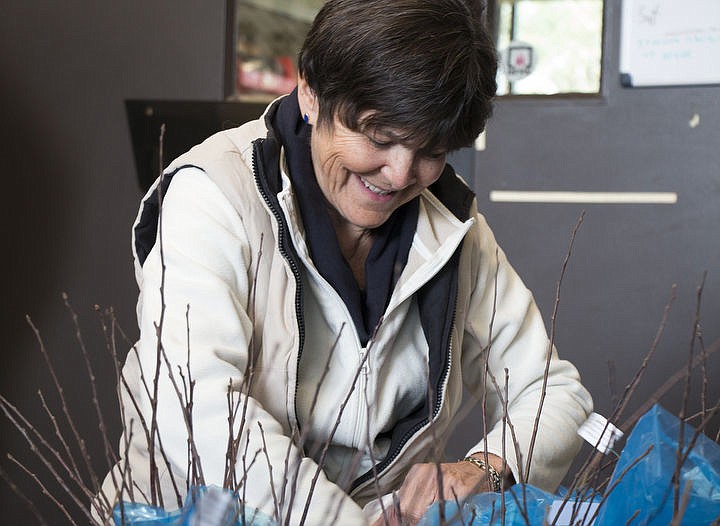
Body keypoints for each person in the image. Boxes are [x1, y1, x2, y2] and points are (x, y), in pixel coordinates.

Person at [98, 0, 593, 524]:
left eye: (432, 151)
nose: (400, 175)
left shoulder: (451, 225)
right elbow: (197, 407)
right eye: (380, 139)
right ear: (310, 92)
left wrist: (485, 468)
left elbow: (552, 390)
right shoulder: (213, 196)